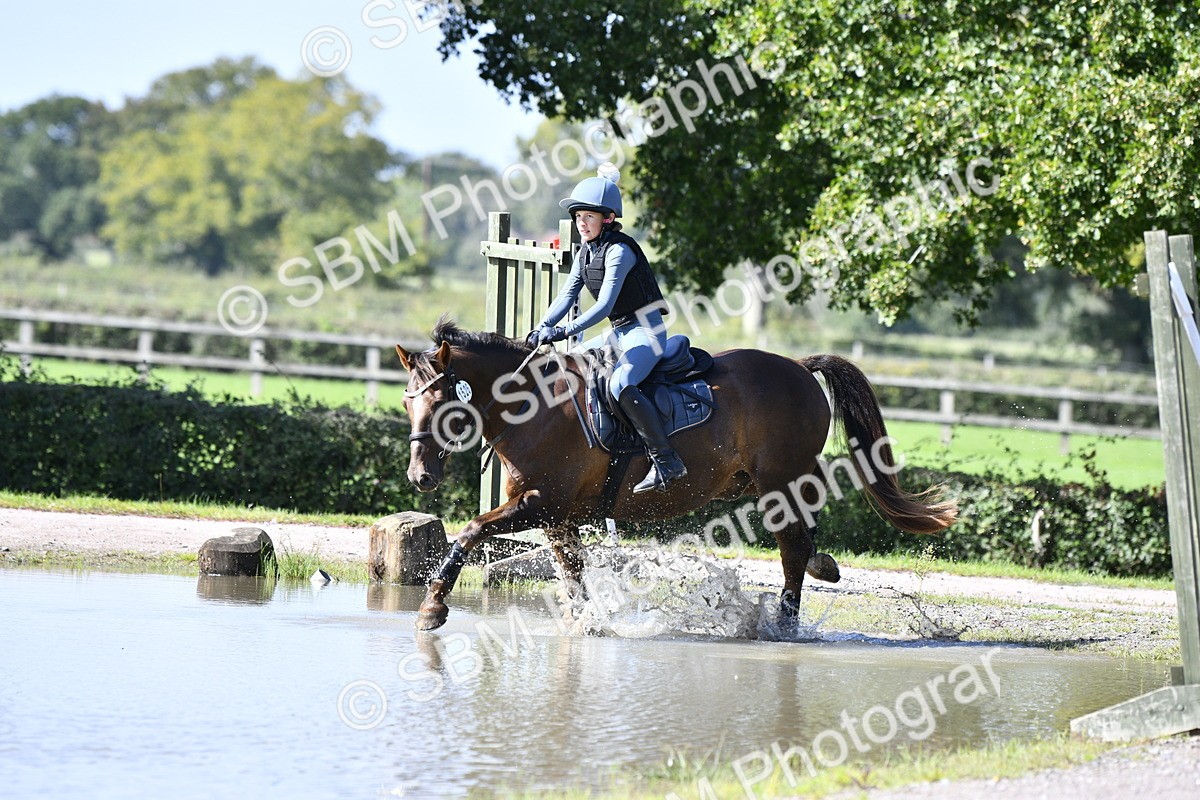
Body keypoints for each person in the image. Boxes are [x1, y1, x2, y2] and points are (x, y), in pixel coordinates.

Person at [526, 163, 687, 493]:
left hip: (647, 332)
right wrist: (541, 327)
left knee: (620, 382)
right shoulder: (586, 252)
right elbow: (566, 295)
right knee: (570, 366)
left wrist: (562, 331)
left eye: (588, 216)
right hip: (618, 333)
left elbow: (602, 306)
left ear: (608, 218)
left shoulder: (620, 251)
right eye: (578, 216)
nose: (581, 223)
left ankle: (666, 460)